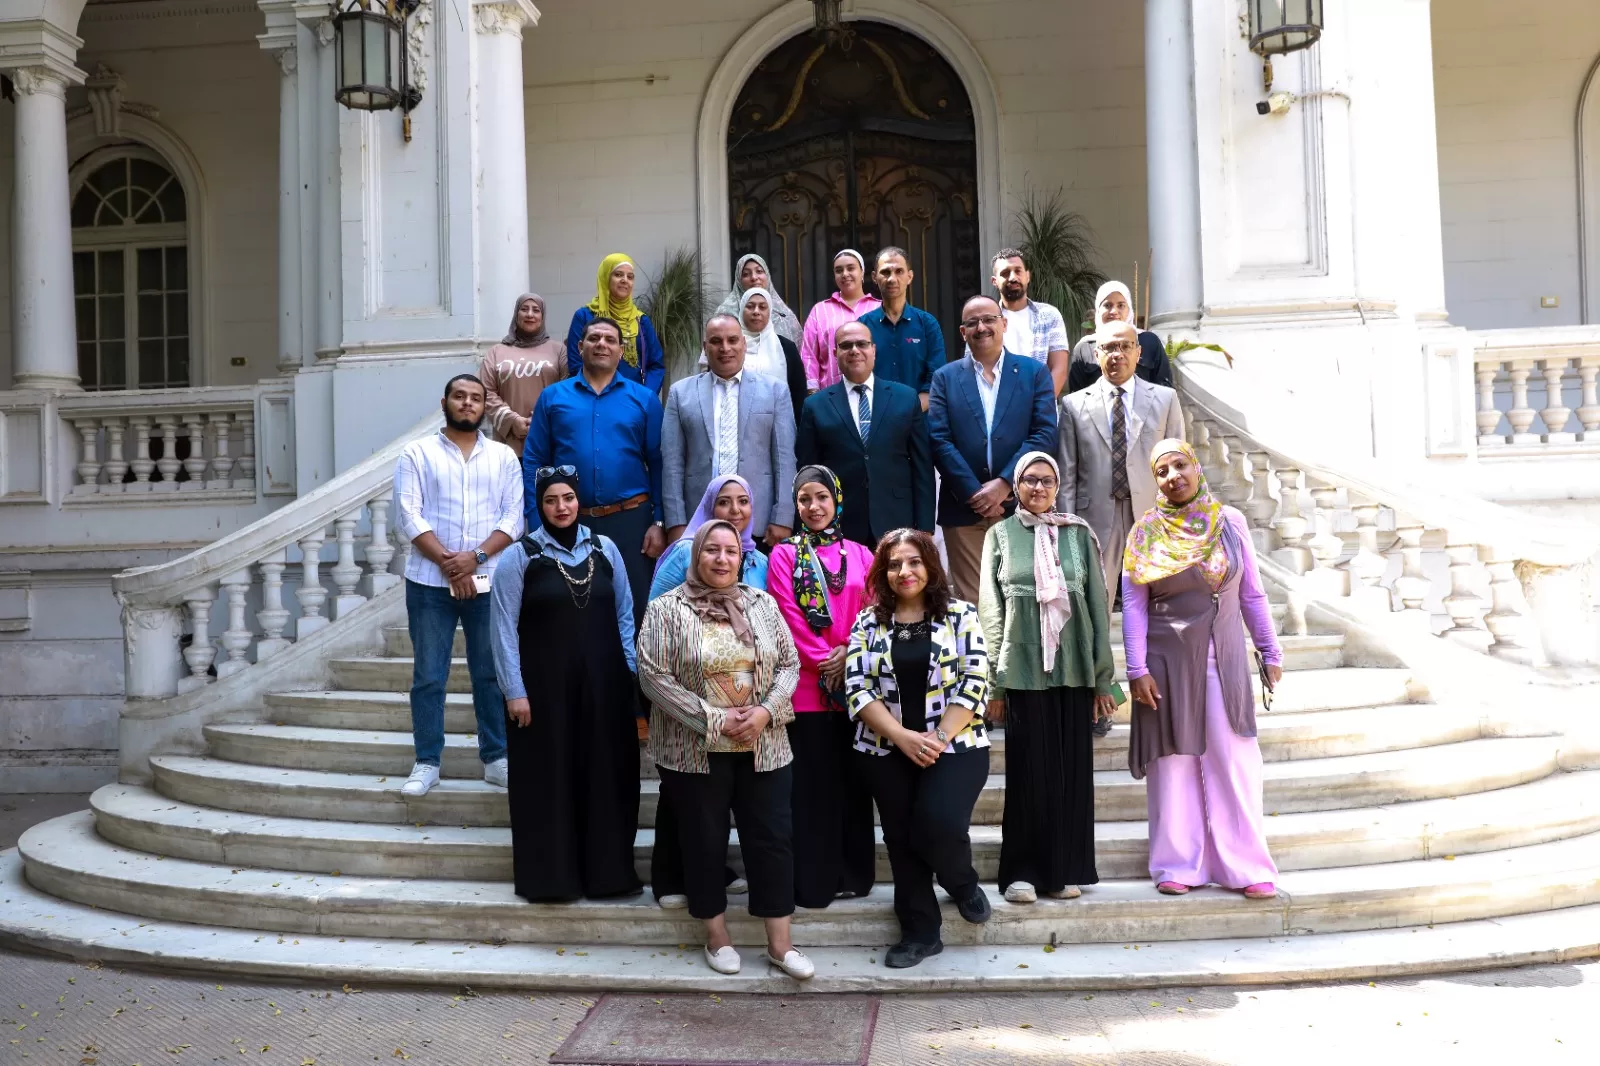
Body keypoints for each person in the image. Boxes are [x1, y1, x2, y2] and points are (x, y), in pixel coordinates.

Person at [638, 520, 814, 979]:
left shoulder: (762, 603)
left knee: (773, 840)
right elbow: (653, 676)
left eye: (730, 551)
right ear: (695, 554)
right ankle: (717, 937)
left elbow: (790, 664)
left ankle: (781, 945)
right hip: (693, 749)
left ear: (741, 557)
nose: (721, 559)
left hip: (763, 743)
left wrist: (765, 712)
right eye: (711, 550)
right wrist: (714, 719)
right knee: (703, 841)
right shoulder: (666, 608)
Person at [1123, 440, 1283, 900]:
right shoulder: (1145, 532)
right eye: (1162, 470)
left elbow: (1251, 593)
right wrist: (1136, 668)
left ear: (1196, 467)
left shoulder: (1230, 522)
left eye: (1180, 465)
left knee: (1234, 759)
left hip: (1225, 657)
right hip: (1166, 661)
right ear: (1155, 481)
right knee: (1173, 764)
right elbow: (1134, 605)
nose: (1173, 475)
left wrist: (1269, 650)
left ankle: (1246, 866)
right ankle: (1178, 863)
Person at [490, 467, 641, 902]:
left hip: (605, 688)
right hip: (543, 695)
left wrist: (630, 673)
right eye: (551, 500)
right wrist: (514, 691)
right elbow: (502, 628)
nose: (561, 507)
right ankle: (552, 880)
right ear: (539, 505)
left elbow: (625, 614)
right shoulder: (520, 557)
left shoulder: (606, 549)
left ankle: (609, 877)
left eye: (568, 498)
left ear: (579, 500)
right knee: (550, 780)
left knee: (605, 776)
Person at [846, 529, 992, 969]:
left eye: (914, 561)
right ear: (882, 573)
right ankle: (920, 933)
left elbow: (975, 680)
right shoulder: (867, 623)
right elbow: (857, 689)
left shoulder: (961, 615)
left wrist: (937, 738)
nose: (904, 571)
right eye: (894, 564)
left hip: (956, 744)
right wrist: (903, 737)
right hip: (885, 748)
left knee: (939, 824)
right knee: (901, 838)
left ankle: (961, 882)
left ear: (930, 566)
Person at [978, 451, 1117, 904]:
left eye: (1047, 480)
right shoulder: (1000, 534)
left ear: (1057, 487)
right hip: (1021, 669)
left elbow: (1096, 606)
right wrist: (995, 683)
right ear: (1016, 486)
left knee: (1071, 771)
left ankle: (1062, 871)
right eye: (1030, 480)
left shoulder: (1077, 534)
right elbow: (991, 611)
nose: (1038, 488)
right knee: (1029, 774)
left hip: (1074, 669)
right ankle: (1021, 873)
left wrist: (1103, 678)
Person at [393, 374, 521, 798]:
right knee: (429, 676)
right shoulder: (417, 453)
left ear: (485, 406)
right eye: (460, 396)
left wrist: (474, 559)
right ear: (444, 402)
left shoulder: (503, 457)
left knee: (490, 674)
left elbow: (513, 518)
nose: (468, 403)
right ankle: (427, 762)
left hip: (489, 581)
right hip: (429, 584)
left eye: (476, 398)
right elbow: (408, 515)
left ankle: (496, 758)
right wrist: (451, 565)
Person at [766, 466, 877, 908]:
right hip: (808, 690)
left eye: (822, 497)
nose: (814, 507)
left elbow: (875, 612)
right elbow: (786, 615)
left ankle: (853, 874)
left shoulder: (863, 554)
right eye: (804, 499)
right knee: (812, 790)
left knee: (853, 785)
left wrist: (848, 653)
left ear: (837, 500)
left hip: (855, 687)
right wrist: (824, 660)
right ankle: (814, 881)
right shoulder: (784, 555)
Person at [525, 316, 666, 628]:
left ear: (621, 351)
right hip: (571, 522)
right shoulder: (553, 397)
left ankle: (632, 664)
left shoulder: (643, 399)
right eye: (594, 338)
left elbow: (659, 462)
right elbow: (535, 460)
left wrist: (659, 521)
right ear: (580, 346)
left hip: (632, 522)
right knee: (575, 613)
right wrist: (536, 521)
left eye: (610, 340)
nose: (602, 344)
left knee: (634, 611)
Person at [928, 295, 1057, 604]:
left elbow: (1044, 433)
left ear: (1004, 324)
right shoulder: (945, 378)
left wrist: (1004, 484)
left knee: (1023, 599)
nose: (981, 327)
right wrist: (975, 493)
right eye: (972, 322)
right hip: (963, 508)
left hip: (1021, 505)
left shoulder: (1034, 373)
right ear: (963, 332)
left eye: (988, 319)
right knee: (975, 604)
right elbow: (939, 439)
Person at [1057, 320, 1185, 603]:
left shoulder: (1165, 400)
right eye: (1109, 347)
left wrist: (1178, 518)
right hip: (1094, 518)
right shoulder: (1073, 405)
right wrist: (1067, 530)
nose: (1118, 354)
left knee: (1157, 604)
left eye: (1125, 346)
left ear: (1138, 353)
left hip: (1152, 515)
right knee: (1095, 604)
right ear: (1096, 354)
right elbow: (1066, 476)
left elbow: (1179, 466)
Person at [795, 321, 934, 547]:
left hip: (897, 519)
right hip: (840, 524)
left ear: (873, 350)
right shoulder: (815, 406)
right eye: (846, 345)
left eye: (862, 344)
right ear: (835, 353)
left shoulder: (905, 398)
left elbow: (922, 466)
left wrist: (925, 526)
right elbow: (808, 472)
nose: (854, 350)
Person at [662, 315, 795, 550]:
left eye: (732, 340)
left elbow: (785, 460)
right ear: (705, 348)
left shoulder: (775, 391)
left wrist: (783, 517)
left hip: (760, 523)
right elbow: (672, 463)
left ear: (744, 344)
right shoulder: (680, 393)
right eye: (716, 341)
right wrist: (676, 522)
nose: (725, 348)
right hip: (697, 523)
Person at [651, 474, 771, 599]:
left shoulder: (760, 562)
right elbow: (658, 605)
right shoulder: (685, 551)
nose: (735, 509)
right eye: (724, 502)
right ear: (710, 507)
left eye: (743, 501)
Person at [857, 246, 945, 408]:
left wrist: (910, 412)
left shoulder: (927, 324)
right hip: (875, 416)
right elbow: (857, 374)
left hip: (919, 416)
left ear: (910, 277)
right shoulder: (863, 325)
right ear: (875, 277)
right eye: (885, 272)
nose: (892, 279)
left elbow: (936, 377)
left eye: (899, 271)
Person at [566, 253, 666, 395]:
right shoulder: (585, 316)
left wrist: (644, 396)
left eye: (630, 277)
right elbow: (576, 363)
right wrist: (596, 394)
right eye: (618, 275)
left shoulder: (641, 321)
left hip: (634, 400)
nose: (625, 280)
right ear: (606, 277)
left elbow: (656, 366)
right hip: (593, 398)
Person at [479, 293, 567, 454]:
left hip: (548, 441)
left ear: (542, 316)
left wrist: (541, 418)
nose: (530, 314)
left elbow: (566, 388)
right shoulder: (496, 352)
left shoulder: (559, 350)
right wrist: (512, 421)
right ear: (516, 314)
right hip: (508, 446)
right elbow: (486, 392)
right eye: (524, 309)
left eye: (536, 310)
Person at [989, 247, 1072, 397]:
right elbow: (975, 368)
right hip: (997, 407)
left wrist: (1040, 405)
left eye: (1018, 271)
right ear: (995, 281)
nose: (1012, 277)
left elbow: (1059, 370)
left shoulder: (1049, 315)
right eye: (1005, 273)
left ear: (1028, 276)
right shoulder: (985, 320)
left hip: (1041, 406)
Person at [1067, 280, 1174, 394]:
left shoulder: (1149, 341)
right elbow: (1077, 397)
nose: (1114, 311)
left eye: (1121, 305)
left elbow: (1164, 390)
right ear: (1098, 310)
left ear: (1129, 309)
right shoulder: (1084, 348)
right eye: (1107, 305)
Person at [798, 249, 882, 392]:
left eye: (851, 268)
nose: (845, 274)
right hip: (830, 395)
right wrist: (813, 393)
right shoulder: (820, 311)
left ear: (862, 272)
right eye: (839, 270)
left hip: (876, 395)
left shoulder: (879, 308)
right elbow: (808, 355)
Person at [739, 288, 809, 426]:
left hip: (779, 424)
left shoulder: (786, 347)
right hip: (739, 423)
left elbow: (798, 393)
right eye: (750, 306)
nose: (756, 311)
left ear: (770, 311)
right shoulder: (731, 346)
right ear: (741, 310)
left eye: (762, 307)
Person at [713, 252, 803, 347]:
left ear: (767, 275)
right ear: (739, 280)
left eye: (759, 271)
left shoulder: (783, 315)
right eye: (746, 274)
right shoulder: (725, 315)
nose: (754, 277)